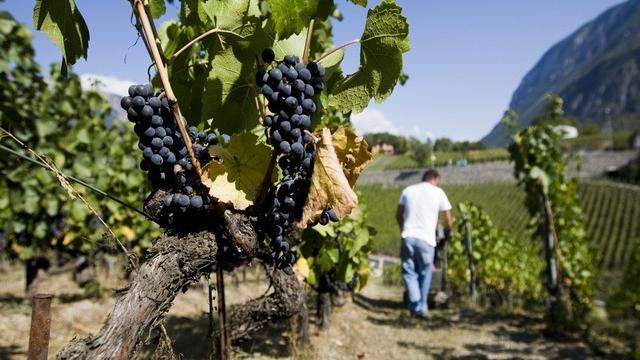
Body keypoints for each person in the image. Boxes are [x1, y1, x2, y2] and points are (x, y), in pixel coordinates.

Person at [396, 169, 452, 317]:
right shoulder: (438, 192)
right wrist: (447, 232)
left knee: (409, 272)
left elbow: (398, 214)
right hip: (427, 239)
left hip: (408, 236)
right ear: (434, 178)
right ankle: (422, 306)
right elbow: (447, 216)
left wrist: (403, 228)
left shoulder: (408, 190)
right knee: (424, 274)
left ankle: (416, 305)